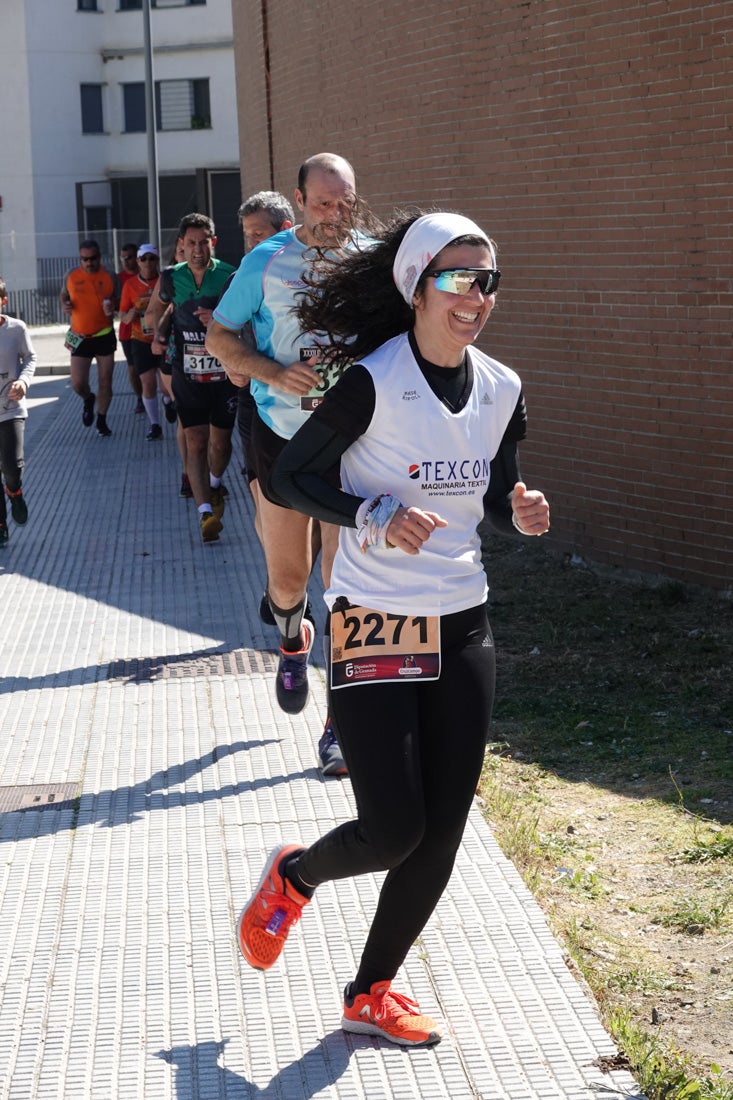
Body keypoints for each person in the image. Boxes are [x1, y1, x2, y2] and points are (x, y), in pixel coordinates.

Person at [235, 212, 550, 1047]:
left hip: (463, 623)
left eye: (486, 279)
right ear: (416, 286)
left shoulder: (501, 385)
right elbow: (292, 476)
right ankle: (294, 876)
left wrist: (514, 508)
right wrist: (371, 510)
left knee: (440, 834)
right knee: (391, 829)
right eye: (456, 278)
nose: (475, 296)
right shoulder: (371, 382)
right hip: (377, 622)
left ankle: (371, 990)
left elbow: (488, 485)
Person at [207, 154, 375, 774]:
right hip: (281, 434)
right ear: (301, 200)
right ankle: (289, 636)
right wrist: (276, 372)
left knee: (345, 582)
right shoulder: (266, 261)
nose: (336, 216)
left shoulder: (372, 259)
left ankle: (341, 723)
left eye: (346, 203)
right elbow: (220, 339)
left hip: (351, 438)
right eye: (324, 204)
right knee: (288, 579)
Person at [144, 214, 236, 542]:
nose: (198, 249)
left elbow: (248, 318)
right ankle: (205, 514)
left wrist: (220, 319)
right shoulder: (170, 277)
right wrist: (156, 333)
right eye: (192, 243)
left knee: (220, 443)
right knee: (195, 440)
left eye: (204, 242)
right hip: (187, 373)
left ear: (214, 242)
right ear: (182, 244)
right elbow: (154, 311)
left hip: (224, 375)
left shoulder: (229, 275)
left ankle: (214, 485)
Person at [59, 239, 120, 437]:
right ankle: (88, 399)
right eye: (84, 259)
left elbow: (120, 301)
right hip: (79, 336)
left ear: (99, 257)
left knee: (105, 382)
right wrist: (65, 305)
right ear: (80, 259)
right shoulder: (71, 275)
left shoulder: (110, 275)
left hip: (104, 335)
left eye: (92, 258)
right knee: (77, 383)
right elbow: (63, 295)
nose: (89, 263)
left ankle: (102, 419)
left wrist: (113, 306)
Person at [0, 277, 37, 547]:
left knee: (12, 467)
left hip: (11, 409)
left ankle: (14, 491)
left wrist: (23, 381)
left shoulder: (16, 328)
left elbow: (30, 357)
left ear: (3, 301)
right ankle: (1, 528)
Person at [118, 244, 164, 440]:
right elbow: (122, 314)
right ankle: (155, 424)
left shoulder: (165, 280)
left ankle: (169, 402)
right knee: (147, 383)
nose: (147, 263)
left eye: (151, 258)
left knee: (167, 386)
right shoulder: (130, 285)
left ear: (157, 260)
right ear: (137, 261)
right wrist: (131, 314)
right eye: (143, 259)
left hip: (162, 338)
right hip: (140, 339)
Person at [117, 242, 144, 413]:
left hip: (151, 331)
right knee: (133, 368)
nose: (126, 261)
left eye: (130, 257)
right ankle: (140, 398)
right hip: (128, 331)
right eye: (123, 258)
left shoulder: (149, 275)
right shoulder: (118, 279)